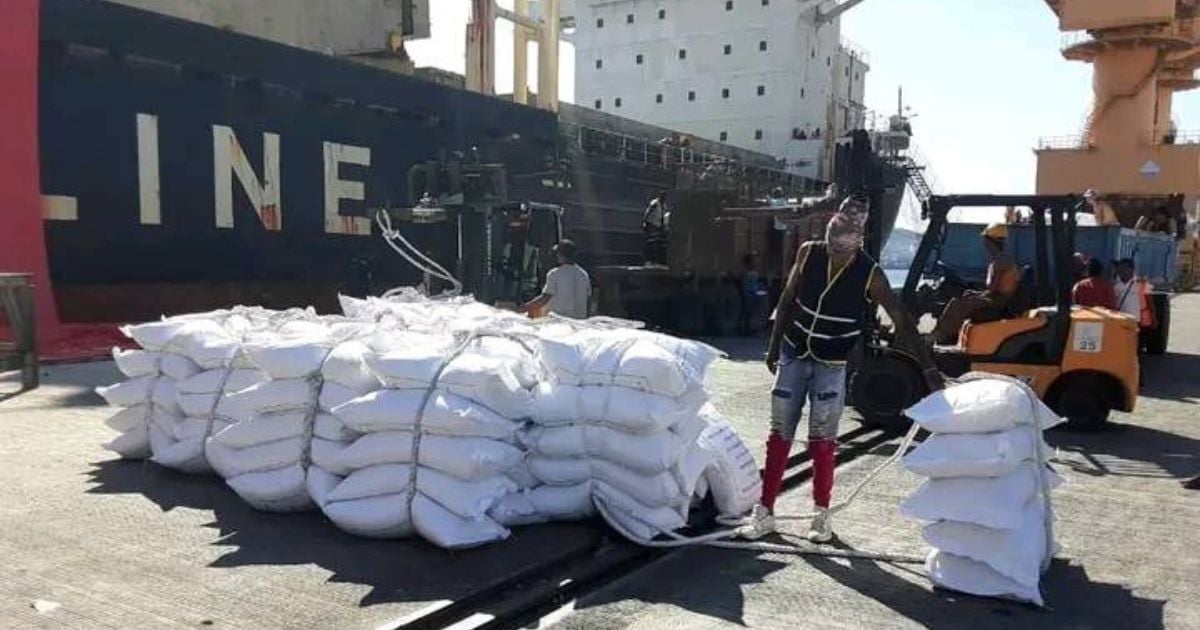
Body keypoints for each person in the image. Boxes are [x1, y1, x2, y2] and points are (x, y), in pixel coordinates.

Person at [746, 197, 944, 543]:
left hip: (831, 363)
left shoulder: (871, 274)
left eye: (842, 245)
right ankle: (765, 510)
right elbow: (788, 297)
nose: (835, 250)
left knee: (823, 440)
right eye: (832, 240)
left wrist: (929, 370)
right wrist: (775, 345)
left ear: (857, 242)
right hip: (795, 353)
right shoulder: (810, 252)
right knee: (779, 434)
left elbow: (901, 320)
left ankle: (821, 515)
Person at [930, 223, 1022, 345]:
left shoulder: (1000, 262)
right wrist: (975, 293)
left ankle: (939, 335)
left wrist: (977, 295)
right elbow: (993, 289)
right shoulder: (1001, 259)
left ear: (990, 241)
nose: (984, 244)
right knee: (966, 295)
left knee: (956, 304)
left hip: (997, 301)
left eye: (985, 240)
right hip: (997, 298)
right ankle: (948, 335)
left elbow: (992, 289)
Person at [522, 239, 591, 319]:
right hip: (580, 321)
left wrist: (525, 307)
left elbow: (545, 298)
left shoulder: (554, 274)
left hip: (558, 320)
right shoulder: (583, 274)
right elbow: (588, 300)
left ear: (560, 255)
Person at [642, 191, 670, 264]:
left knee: (656, 242)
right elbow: (648, 212)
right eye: (662, 196)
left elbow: (663, 216)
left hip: (658, 225)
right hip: (651, 223)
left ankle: (655, 259)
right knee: (650, 241)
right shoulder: (655, 203)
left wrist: (663, 226)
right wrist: (645, 221)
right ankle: (647, 259)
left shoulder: (664, 205)